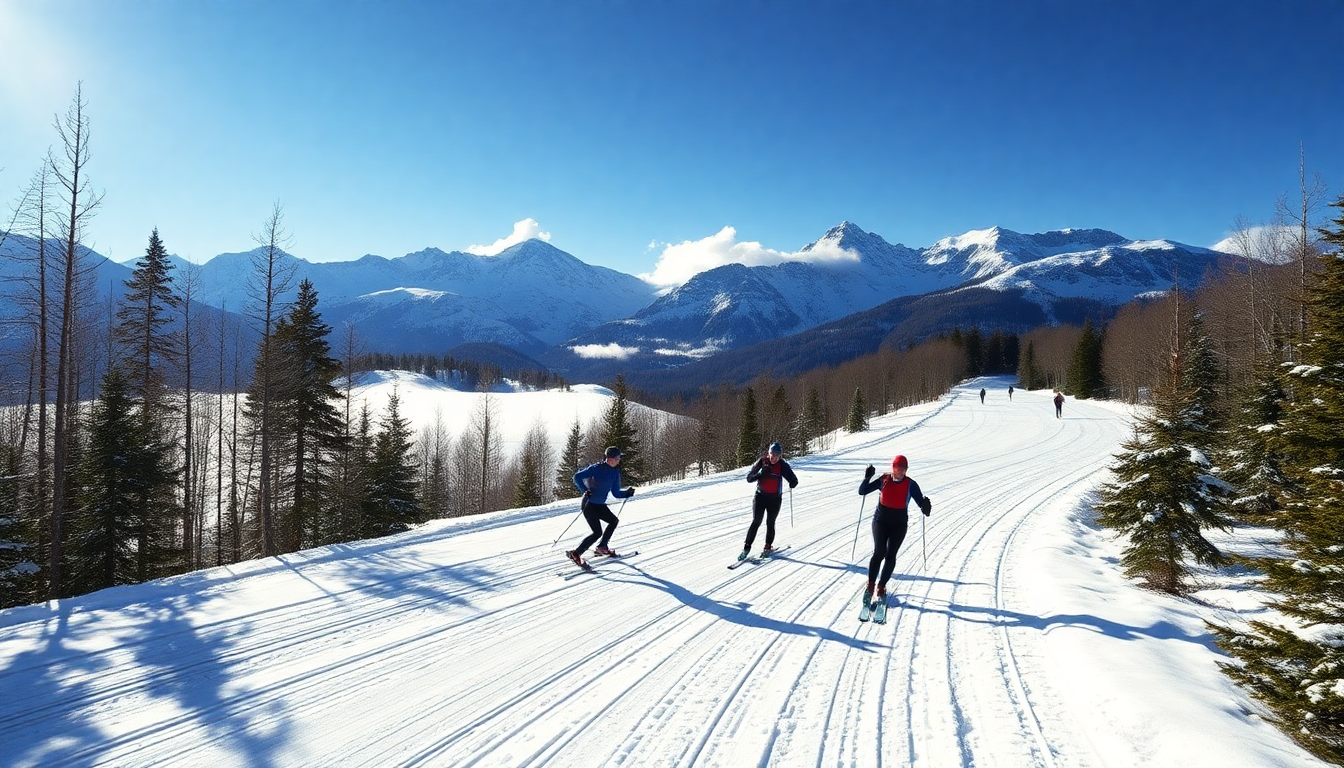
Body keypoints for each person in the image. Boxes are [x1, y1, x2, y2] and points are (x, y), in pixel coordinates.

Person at [857, 454, 932, 606]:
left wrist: (925, 506)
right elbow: (862, 491)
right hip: (881, 521)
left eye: (903, 469)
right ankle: (870, 585)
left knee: (891, 556)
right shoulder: (884, 480)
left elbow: (921, 504)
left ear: (906, 470)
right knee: (879, 553)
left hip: (899, 524)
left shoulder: (911, 484)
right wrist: (867, 478)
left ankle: (881, 586)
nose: (899, 472)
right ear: (893, 467)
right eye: (897, 468)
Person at [567, 446, 636, 568]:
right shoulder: (596, 468)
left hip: (600, 505)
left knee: (613, 521)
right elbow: (577, 477)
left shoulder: (615, 473)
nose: (619, 460)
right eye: (617, 457)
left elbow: (615, 493)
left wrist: (626, 493)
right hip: (589, 504)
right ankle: (576, 554)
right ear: (610, 458)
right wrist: (584, 490)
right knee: (597, 532)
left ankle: (602, 546)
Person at [739, 442, 799, 560]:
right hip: (760, 497)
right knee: (756, 521)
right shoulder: (762, 462)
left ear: (780, 455)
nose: (774, 458)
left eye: (777, 455)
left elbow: (793, 478)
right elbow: (749, 478)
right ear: (769, 453)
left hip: (775, 499)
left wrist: (793, 482)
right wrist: (760, 473)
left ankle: (767, 547)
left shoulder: (782, 465)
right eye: (772, 454)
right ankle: (746, 548)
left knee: (770, 522)